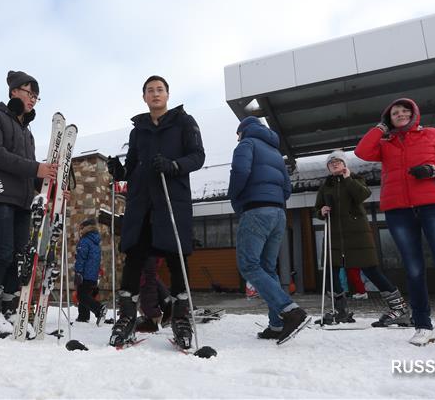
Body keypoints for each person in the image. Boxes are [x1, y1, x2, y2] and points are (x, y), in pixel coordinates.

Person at [355, 98, 435, 352]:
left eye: (404, 111)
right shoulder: (386, 144)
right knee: (413, 269)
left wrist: (434, 170)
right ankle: (423, 326)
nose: (399, 114)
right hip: (399, 210)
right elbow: (362, 152)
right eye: (394, 113)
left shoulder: (434, 135)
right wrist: (380, 128)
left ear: (414, 114)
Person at [106, 75, 205, 349]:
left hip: (172, 202)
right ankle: (126, 317)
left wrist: (174, 165)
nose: (155, 94)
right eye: (150, 90)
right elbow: (133, 163)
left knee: (176, 260)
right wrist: (121, 172)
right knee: (134, 257)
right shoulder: (138, 129)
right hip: (142, 204)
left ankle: (181, 318)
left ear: (167, 94)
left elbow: (198, 156)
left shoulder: (185, 122)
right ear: (144, 97)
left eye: (159, 89)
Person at [0, 70, 57, 339]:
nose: (32, 98)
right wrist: (37, 168)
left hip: (22, 200)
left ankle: (8, 310)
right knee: (2, 252)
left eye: (36, 95)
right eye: (28, 92)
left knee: (19, 258)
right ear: (13, 92)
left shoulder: (27, 132)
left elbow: (28, 172)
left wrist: (48, 188)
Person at [227, 116, 310, 344]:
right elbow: (287, 188)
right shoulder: (275, 153)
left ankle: (290, 310)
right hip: (278, 214)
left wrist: (234, 196)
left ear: (242, 131)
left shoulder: (246, 144)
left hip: (255, 211)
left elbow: (239, 172)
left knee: (249, 265)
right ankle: (277, 324)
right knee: (267, 268)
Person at [313, 150, 411, 327]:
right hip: (334, 237)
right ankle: (340, 311)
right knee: (331, 272)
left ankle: (400, 309)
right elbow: (317, 208)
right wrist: (321, 211)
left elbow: (362, 195)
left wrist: (348, 179)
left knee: (371, 270)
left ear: (345, 164)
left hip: (358, 235)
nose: (334, 164)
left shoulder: (356, 180)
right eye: (331, 162)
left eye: (338, 161)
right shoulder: (325, 186)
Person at [74, 218, 106, 324]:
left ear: (85, 228)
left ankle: (99, 309)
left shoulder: (85, 241)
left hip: (85, 273)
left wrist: (78, 272)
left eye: (81, 228)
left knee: (81, 295)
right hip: (93, 274)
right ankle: (83, 316)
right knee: (85, 293)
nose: (80, 230)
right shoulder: (95, 242)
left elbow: (81, 258)